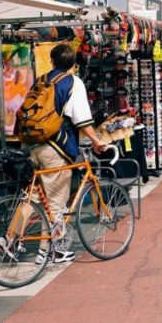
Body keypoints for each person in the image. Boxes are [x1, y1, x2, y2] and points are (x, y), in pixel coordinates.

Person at [20, 43, 109, 264]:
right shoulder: (73, 82)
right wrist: (97, 141)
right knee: (56, 201)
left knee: (33, 197)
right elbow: (82, 120)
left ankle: (10, 236)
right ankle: (50, 251)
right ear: (73, 65)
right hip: (55, 147)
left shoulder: (41, 80)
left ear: (51, 61)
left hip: (32, 145)